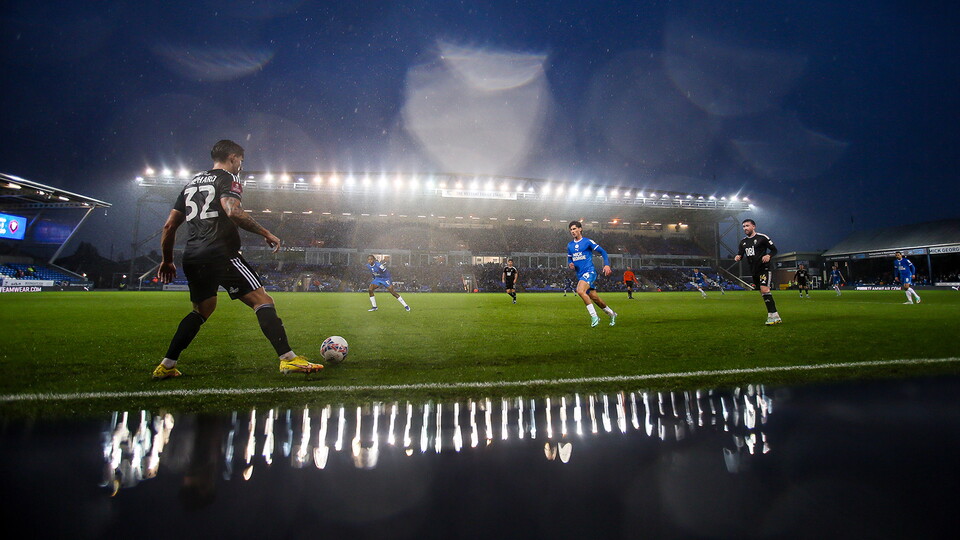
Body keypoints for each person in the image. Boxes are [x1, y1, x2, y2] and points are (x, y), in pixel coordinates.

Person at [154, 140, 322, 379]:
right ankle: (288, 359)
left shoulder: (190, 184)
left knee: (203, 309)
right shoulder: (228, 179)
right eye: (241, 161)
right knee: (262, 300)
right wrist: (266, 233)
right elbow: (232, 210)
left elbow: (170, 225)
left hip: (193, 256)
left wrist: (167, 260)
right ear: (232, 157)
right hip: (220, 253)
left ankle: (166, 366)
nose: (241, 166)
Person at [567, 220, 617, 327]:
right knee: (595, 298)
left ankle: (594, 316)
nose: (572, 231)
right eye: (571, 229)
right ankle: (612, 314)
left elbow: (603, 252)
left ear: (580, 229)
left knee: (580, 291)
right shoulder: (570, 245)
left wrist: (606, 264)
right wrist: (570, 264)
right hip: (580, 274)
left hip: (589, 271)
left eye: (574, 228)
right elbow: (570, 259)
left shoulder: (587, 242)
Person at [734, 218, 781, 325]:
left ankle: (773, 316)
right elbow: (740, 254)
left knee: (764, 290)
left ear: (753, 226)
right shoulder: (743, 242)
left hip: (764, 268)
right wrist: (738, 257)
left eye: (747, 226)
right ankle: (774, 315)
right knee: (763, 293)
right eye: (743, 226)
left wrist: (769, 255)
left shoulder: (762, 238)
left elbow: (774, 250)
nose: (745, 228)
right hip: (754, 270)